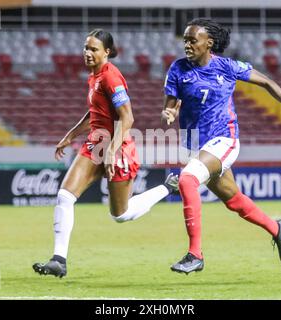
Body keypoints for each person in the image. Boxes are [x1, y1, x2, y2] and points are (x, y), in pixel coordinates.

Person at [161, 18, 281, 274]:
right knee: (233, 200)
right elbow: (170, 104)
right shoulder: (177, 69)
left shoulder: (227, 67)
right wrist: (169, 113)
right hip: (196, 145)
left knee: (187, 180)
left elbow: (268, 83)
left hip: (224, 139)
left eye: (193, 40)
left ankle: (195, 254)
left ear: (209, 43)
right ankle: (276, 228)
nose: (187, 44)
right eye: (185, 40)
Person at [33, 29, 178, 278]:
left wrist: (111, 151)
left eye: (93, 49)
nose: (87, 53)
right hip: (96, 144)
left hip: (117, 147)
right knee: (65, 196)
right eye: (86, 48)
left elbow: (127, 117)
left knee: (120, 215)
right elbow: (95, 114)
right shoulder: (94, 77)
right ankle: (59, 260)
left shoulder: (111, 77)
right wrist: (70, 135)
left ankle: (167, 187)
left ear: (107, 52)